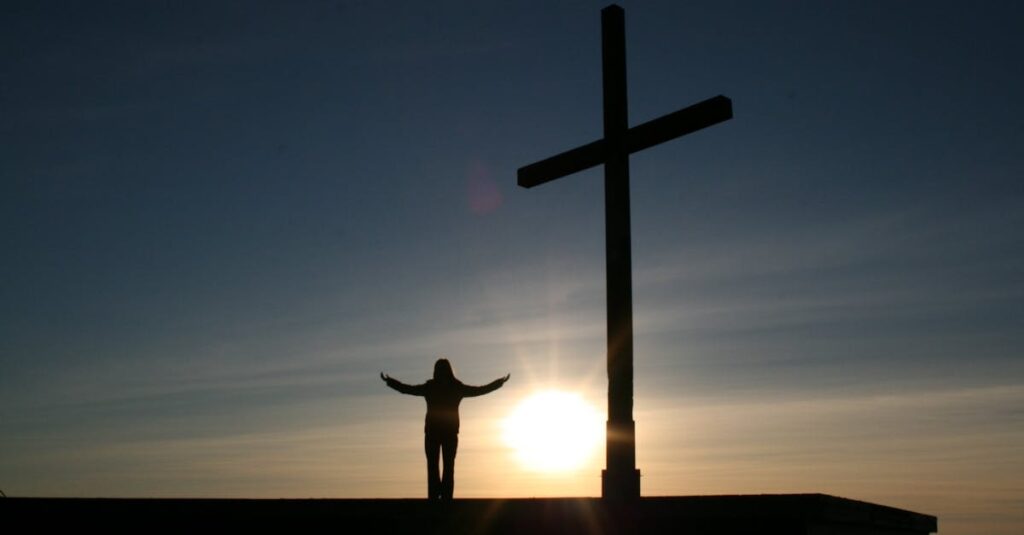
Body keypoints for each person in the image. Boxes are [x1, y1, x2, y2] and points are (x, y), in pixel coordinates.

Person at [381, 358, 510, 500]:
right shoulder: (444, 387)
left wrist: (498, 383)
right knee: (438, 468)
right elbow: (408, 389)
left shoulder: (444, 387)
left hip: (441, 433)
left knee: (443, 467)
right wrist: (390, 382)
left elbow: (479, 391)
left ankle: (443, 498)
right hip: (437, 433)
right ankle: (438, 499)